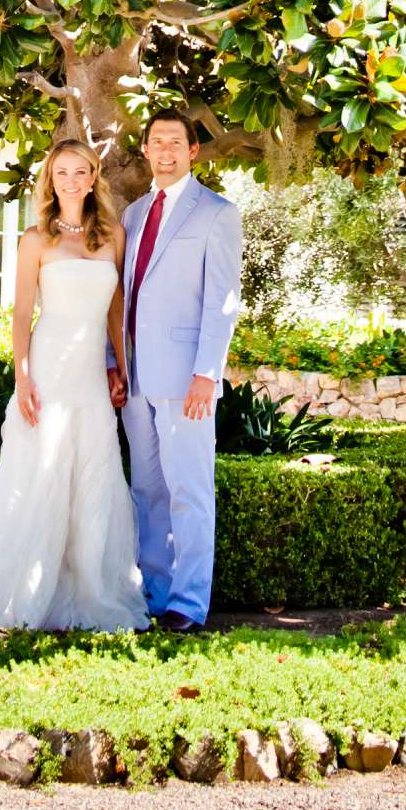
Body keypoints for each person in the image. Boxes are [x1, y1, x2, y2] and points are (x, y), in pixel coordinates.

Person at [0, 138, 148, 632]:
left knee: (93, 475)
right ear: (51, 180)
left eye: (80, 172)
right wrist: (22, 377)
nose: (71, 180)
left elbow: (116, 308)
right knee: (39, 475)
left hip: (91, 372)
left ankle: (91, 591)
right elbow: (23, 312)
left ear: (93, 178)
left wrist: (121, 366)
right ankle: (26, 596)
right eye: (61, 172)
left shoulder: (112, 235)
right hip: (48, 367)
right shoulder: (35, 239)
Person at [118, 110, 243, 633]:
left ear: (193, 151)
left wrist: (206, 374)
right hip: (136, 376)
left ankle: (189, 606)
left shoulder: (217, 212)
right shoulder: (133, 214)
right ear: (145, 150)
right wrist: (114, 364)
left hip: (186, 377)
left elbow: (223, 301)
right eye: (156, 142)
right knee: (147, 491)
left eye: (175, 142)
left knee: (190, 490)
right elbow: (121, 296)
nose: (165, 150)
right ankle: (155, 595)